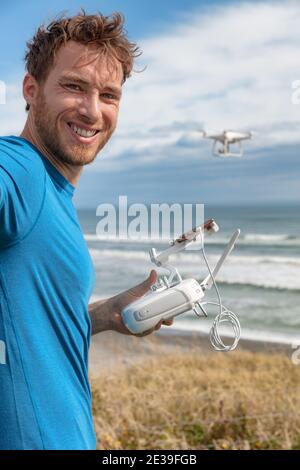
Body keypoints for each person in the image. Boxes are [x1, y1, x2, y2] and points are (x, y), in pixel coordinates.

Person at [0, 10, 173, 450]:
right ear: (31, 89)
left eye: (108, 95)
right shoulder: (21, 171)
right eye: (74, 86)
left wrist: (100, 317)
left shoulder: (52, 192)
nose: (93, 110)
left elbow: (24, 317)